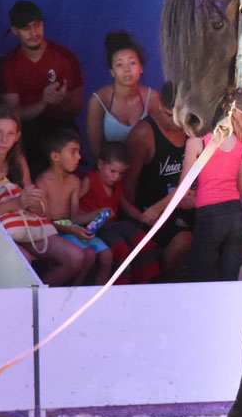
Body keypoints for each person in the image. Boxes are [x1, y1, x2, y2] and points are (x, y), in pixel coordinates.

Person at [0, 105, 84, 286]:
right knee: (24, 259)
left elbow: (34, 203)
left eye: (10, 134)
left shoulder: (19, 161)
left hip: (20, 225)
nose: (4, 139)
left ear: (18, 136)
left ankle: (34, 299)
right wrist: (17, 201)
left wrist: (33, 199)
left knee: (76, 257)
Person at [0, 0, 84, 174]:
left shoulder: (63, 56)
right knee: (15, 138)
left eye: (37, 25)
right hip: (29, 129)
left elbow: (78, 106)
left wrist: (62, 100)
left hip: (61, 125)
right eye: (26, 28)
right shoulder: (9, 65)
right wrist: (43, 103)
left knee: (68, 145)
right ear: (15, 31)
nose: (33, 32)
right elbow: (12, 114)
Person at [126, 81, 194, 279]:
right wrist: (135, 219)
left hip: (190, 204)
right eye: (167, 114)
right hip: (155, 209)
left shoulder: (194, 127)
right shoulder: (144, 133)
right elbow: (129, 181)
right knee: (183, 239)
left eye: (179, 115)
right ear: (158, 106)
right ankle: (161, 281)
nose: (174, 121)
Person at [35, 129, 110, 286]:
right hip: (53, 231)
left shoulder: (74, 181)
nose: (79, 157)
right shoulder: (42, 183)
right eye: (73, 152)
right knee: (86, 255)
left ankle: (77, 288)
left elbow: (74, 217)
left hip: (71, 227)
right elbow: (44, 222)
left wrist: (96, 214)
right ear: (55, 156)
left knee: (103, 254)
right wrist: (72, 230)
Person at [78, 142, 160, 283]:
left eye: (121, 173)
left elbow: (126, 207)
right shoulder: (89, 180)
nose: (116, 177)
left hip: (114, 225)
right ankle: (120, 283)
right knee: (119, 246)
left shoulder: (117, 185)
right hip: (95, 227)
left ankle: (145, 280)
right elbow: (74, 203)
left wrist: (143, 217)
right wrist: (86, 218)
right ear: (100, 164)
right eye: (113, 171)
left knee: (142, 238)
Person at [85, 31, 163, 164]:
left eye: (132, 63)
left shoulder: (153, 98)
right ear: (112, 71)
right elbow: (95, 150)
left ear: (141, 68)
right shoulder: (99, 101)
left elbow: (162, 142)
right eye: (119, 64)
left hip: (147, 171)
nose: (127, 69)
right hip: (111, 174)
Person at [182, 127, 242, 281]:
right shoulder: (238, 141)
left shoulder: (196, 142)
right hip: (236, 214)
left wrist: (158, 209)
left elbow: (183, 189)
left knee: (199, 278)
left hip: (209, 214)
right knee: (229, 280)